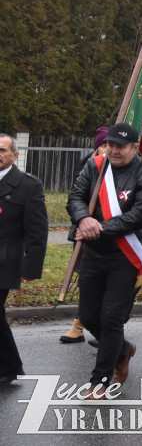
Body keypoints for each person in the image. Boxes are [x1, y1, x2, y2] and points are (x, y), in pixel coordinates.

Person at [66, 123, 142, 400]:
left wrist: (100, 228)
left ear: (134, 147)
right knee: (89, 315)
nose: (113, 151)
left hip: (125, 255)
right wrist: (84, 218)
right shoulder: (94, 166)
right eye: (110, 145)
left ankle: (101, 380)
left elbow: (139, 214)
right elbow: (75, 198)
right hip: (94, 253)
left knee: (111, 319)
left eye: (120, 146)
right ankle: (123, 350)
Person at [0, 134, 48, 385]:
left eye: (3, 150)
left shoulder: (27, 185)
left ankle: (9, 367)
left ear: (14, 156)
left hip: (4, 261)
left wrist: (32, 266)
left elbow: (37, 230)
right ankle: (9, 365)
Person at [60, 126, 109, 345]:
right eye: (104, 146)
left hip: (112, 235)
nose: (108, 150)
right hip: (85, 233)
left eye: (113, 145)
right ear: (97, 149)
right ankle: (79, 326)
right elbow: (74, 200)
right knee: (86, 281)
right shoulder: (87, 169)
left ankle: (108, 329)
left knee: (110, 285)